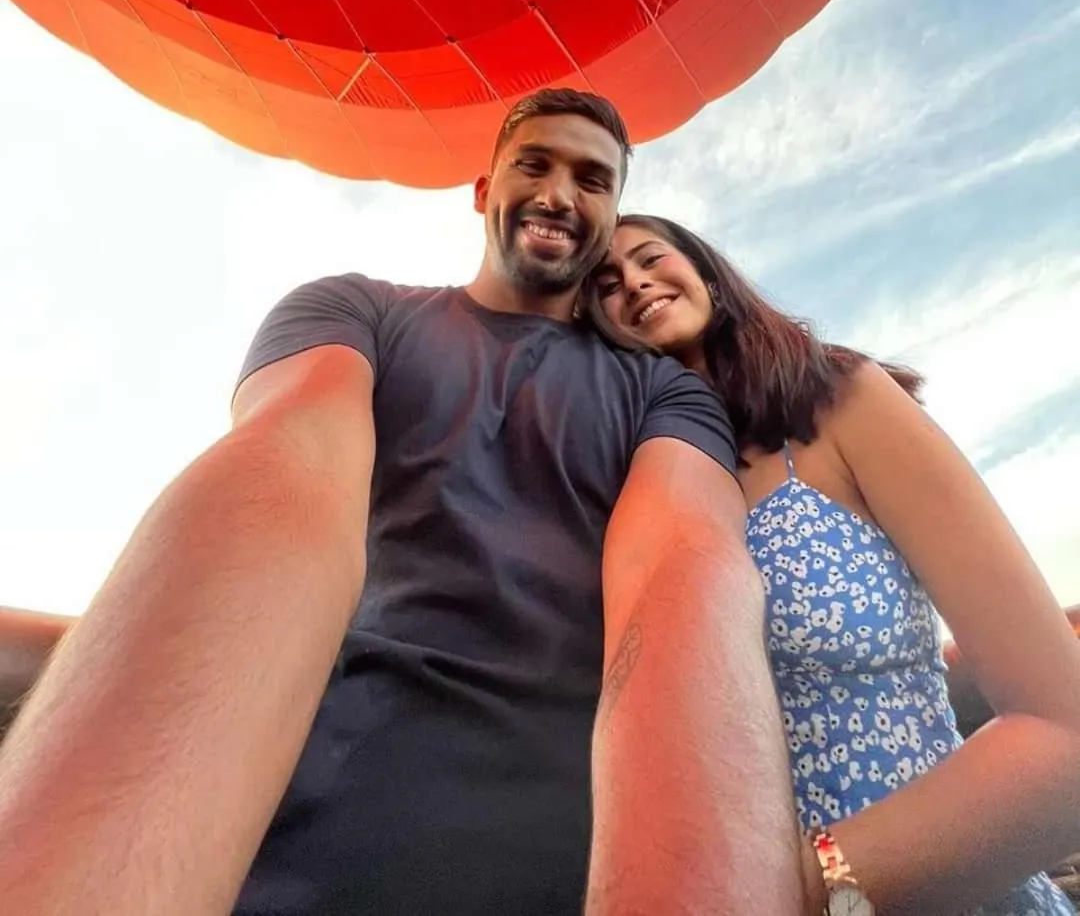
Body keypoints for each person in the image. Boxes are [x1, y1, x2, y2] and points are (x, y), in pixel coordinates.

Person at [0, 92, 803, 916]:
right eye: (536, 165)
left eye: (592, 180)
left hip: (564, 851)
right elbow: (287, 471)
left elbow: (681, 565)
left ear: (610, 213)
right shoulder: (357, 311)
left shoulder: (666, 392)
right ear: (484, 189)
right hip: (288, 818)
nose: (561, 194)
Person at [586, 214, 1080, 916]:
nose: (633, 282)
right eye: (605, 284)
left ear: (708, 275)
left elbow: (1066, 739)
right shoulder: (627, 492)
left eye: (649, 257)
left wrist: (812, 894)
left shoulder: (842, 400)